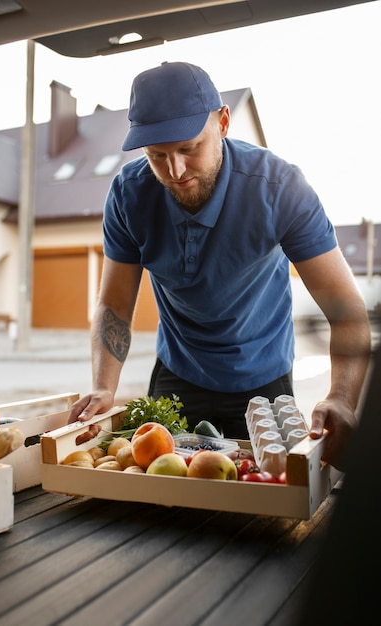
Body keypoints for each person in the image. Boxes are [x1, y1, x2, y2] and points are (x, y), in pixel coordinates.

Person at [68, 61, 371, 471]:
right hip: (177, 372)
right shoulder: (128, 194)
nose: (175, 171)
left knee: (264, 506)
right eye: (158, 155)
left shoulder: (281, 189)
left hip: (264, 380)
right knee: (166, 500)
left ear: (223, 123)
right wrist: (104, 387)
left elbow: (346, 310)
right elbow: (115, 305)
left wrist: (341, 397)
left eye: (189, 149)